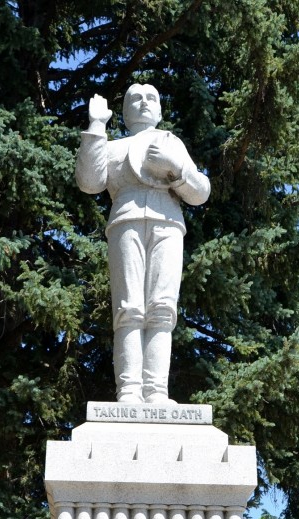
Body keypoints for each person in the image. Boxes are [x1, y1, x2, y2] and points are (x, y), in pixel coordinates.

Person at [76, 84, 210, 403]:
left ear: (160, 111)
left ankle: (156, 391)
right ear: (124, 113)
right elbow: (90, 182)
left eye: (151, 98)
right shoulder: (114, 146)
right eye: (136, 99)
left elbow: (200, 192)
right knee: (129, 307)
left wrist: (176, 168)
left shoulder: (170, 142)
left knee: (163, 307)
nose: (145, 103)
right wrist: (97, 126)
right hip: (126, 221)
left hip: (168, 223)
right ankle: (129, 390)